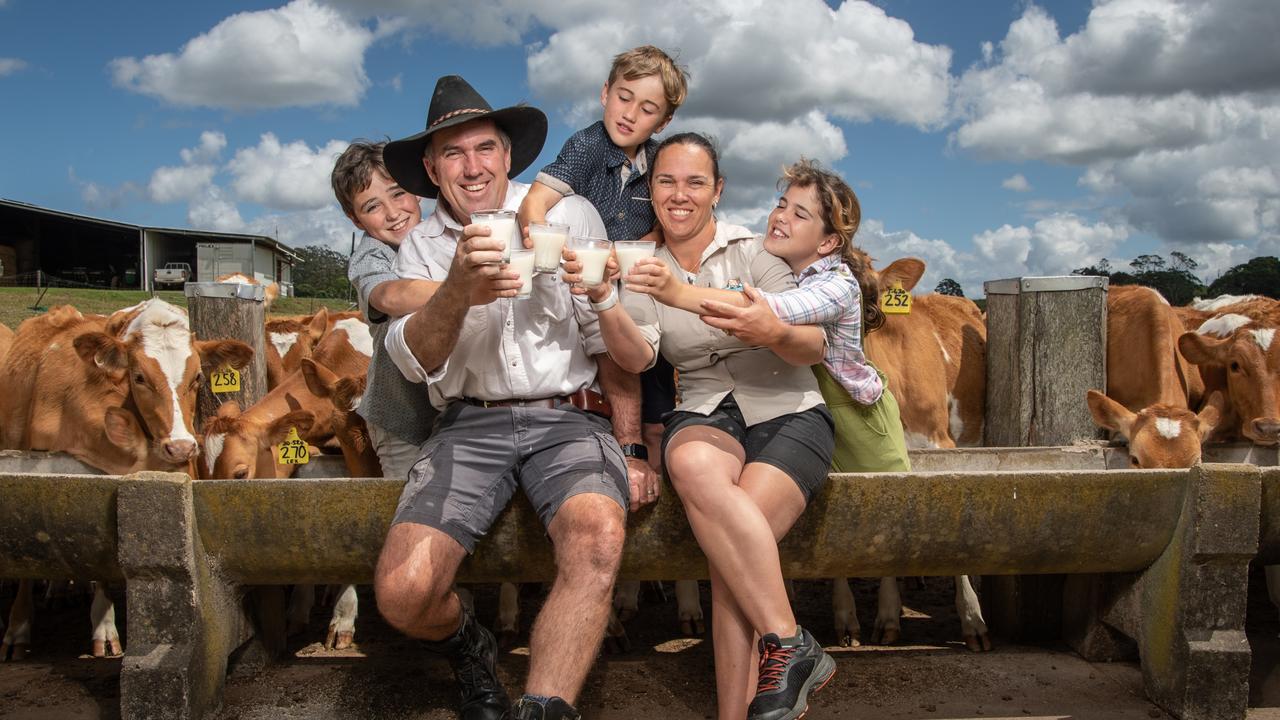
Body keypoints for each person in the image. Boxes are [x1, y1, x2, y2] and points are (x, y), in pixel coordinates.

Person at [377, 75, 656, 720]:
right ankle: (468, 644)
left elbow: (611, 349)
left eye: (485, 149)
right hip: (468, 424)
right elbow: (416, 363)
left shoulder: (568, 216)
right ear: (430, 167)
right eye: (453, 153)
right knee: (404, 592)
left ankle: (544, 708)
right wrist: (455, 291)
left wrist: (633, 444)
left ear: (509, 155)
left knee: (596, 537)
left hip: (570, 419)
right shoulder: (420, 244)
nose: (472, 167)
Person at [566, 132, 837, 720]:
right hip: (706, 409)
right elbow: (638, 358)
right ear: (651, 191)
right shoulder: (638, 259)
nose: (679, 195)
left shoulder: (755, 251)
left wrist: (689, 295)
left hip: (788, 408)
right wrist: (605, 301)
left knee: (732, 559)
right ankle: (790, 643)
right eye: (666, 181)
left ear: (717, 191)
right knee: (690, 463)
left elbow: (811, 345)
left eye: (695, 182)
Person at [630, 157, 911, 474]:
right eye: (781, 205)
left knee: (883, 501)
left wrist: (677, 292)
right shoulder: (787, 268)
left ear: (828, 242)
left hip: (856, 413)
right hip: (814, 401)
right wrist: (658, 238)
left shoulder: (836, 285)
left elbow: (776, 306)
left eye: (799, 214)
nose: (781, 217)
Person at [517, 43, 690, 463]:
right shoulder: (587, 146)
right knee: (602, 393)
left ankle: (650, 473)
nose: (630, 114)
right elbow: (533, 205)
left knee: (656, 411)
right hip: (578, 285)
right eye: (624, 98)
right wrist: (553, 257)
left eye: (647, 109)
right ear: (605, 93)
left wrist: (627, 251)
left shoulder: (659, 162)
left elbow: (660, 228)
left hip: (634, 288)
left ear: (664, 120)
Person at [337, 140, 521, 482]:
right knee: (410, 498)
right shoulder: (372, 256)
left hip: (456, 414)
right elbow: (389, 296)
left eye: (398, 194)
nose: (393, 213)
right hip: (404, 416)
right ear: (355, 219)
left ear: (417, 188)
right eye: (372, 206)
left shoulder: (439, 233)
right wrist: (464, 289)